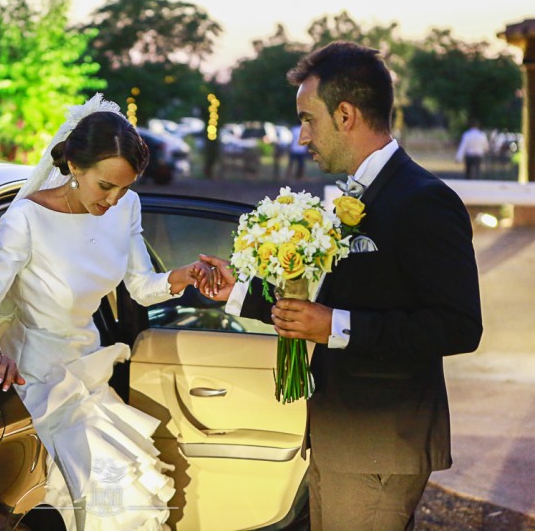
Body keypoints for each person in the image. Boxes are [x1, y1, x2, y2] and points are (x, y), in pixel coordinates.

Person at [199, 41, 482, 530]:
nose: (301, 135)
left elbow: (458, 327)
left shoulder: (424, 200)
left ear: (345, 114)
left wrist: (337, 326)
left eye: (308, 119)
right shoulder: (358, 194)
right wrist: (240, 292)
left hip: (379, 443)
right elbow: (325, 306)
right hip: (337, 435)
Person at [0, 94, 212, 530]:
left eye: (124, 188)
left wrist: (183, 276)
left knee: (116, 499)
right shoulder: (27, 218)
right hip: (34, 377)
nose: (114, 199)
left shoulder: (126, 209)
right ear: (74, 167)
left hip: (87, 372)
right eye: (105, 186)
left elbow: (139, 286)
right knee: (65, 497)